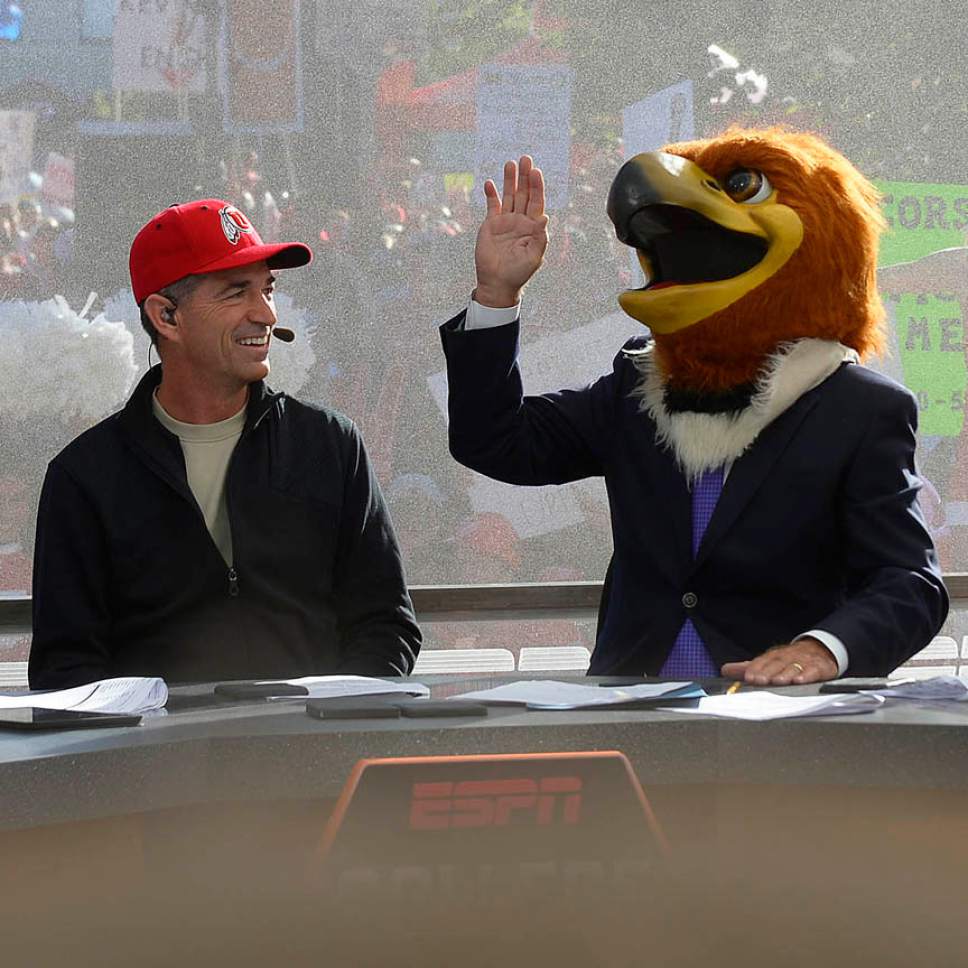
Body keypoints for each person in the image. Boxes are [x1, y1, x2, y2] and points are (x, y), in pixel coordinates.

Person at [440, 140, 947, 684]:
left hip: (779, 721)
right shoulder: (636, 390)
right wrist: (496, 295)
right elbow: (493, 440)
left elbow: (908, 580)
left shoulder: (859, 408)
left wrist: (824, 651)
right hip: (633, 706)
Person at [30, 199, 420, 688]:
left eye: (268, 288)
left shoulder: (330, 446)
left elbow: (386, 625)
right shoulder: (84, 476)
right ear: (167, 316)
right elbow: (65, 666)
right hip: (156, 762)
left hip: (315, 757)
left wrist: (329, 731)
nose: (266, 313)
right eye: (237, 293)